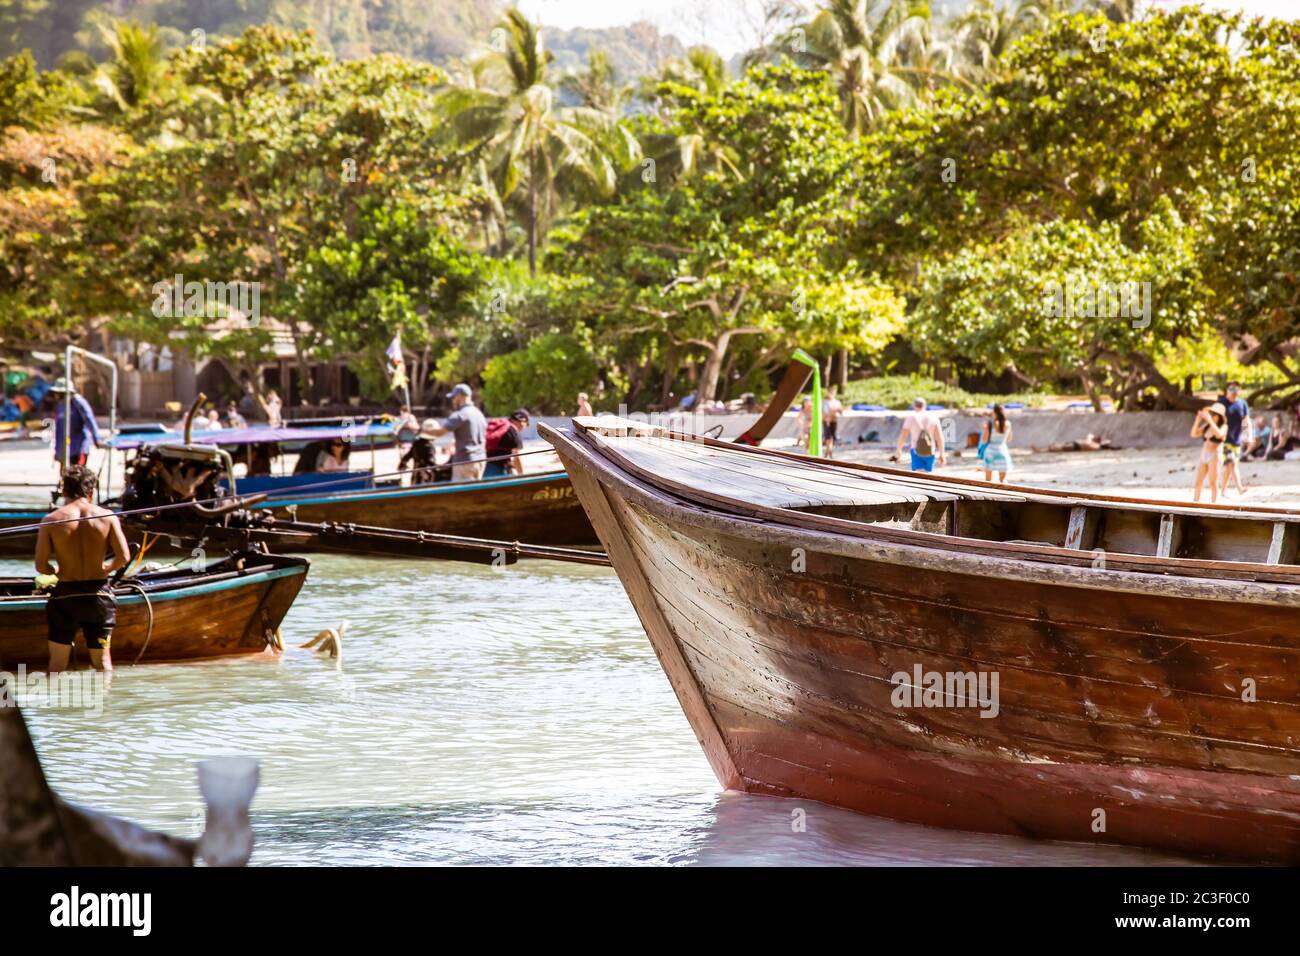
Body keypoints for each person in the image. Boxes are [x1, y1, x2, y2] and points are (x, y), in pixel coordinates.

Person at [35, 465, 129, 675]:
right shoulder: (107, 516)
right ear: (91, 490)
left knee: (57, 666)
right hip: (98, 595)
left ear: (65, 491)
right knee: (103, 664)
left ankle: (55, 706)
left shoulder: (50, 521)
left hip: (66, 596)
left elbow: (41, 566)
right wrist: (106, 568)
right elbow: (124, 556)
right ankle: (105, 705)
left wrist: (56, 570)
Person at [423, 384, 486, 482]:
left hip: (465, 462)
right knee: (475, 494)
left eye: (454, 397)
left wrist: (420, 430)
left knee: (461, 495)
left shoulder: (461, 415)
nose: (453, 400)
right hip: (481, 460)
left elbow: (439, 432)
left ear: (461, 396)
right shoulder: (479, 414)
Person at [49, 379, 102, 472]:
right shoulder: (60, 406)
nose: (57, 396)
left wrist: (96, 439)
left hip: (78, 446)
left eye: (60, 393)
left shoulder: (78, 402)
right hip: (65, 448)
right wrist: (57, 451)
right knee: (65, 476)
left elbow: (89, 419)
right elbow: (59, 430)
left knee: (77, 475)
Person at [895, 397, 945, 472]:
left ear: (914, 406)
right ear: (925, 406)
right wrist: (942, 453)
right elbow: (939, 437)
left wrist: (899, 450)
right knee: (928, 474)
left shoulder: (911, 418)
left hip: (916, 450)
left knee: (918, 475)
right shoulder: (933, 417)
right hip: (931, 450)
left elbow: (903, 436)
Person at [1217, 381, 1249, 496]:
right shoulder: (1221, 403)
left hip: (1237, 440)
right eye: (1231, 388)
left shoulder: (1242, 404)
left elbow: (1246, 420)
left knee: (1228, 466)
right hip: (1224, 440)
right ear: (1227, 390)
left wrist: (1247, 435)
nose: (1234, 391)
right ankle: (1240, 488)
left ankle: (1223, 491)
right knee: (1232, 463)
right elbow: (1215, 419)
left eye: (1236, 389)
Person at [1191, 402, 1228, 502]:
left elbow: (1219, 435)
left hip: (1215, 456)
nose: (1211, 416)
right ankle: (1195, 503)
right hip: (1204, 455)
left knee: (1213, 483)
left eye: (1213, 414)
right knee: (1198, 482)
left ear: (1219, 416)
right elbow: (1194, 434)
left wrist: (1209, 420)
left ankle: (1214, 504)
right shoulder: (1207, 426)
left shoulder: (1224, 427)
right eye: (1210, 413)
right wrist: (1197, 421)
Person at [484, 409, 530, 478]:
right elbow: (516, 457)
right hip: (499, 470)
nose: (524, 427)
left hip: (485, 467)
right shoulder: (513, 432)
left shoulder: (502, 427)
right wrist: (521, 476)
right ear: (522, 421)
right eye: (526, 423)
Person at [399, 419, 442, 484]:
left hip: (415, 476)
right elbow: (430, 461)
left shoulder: (416, 444)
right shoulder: (429, 447)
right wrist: (439, 469)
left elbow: (407, 456)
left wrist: (402, 463)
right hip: (425, 478)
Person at [981, 404, 1014, 483]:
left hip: (990, 451)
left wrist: (984, 430)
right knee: (1003, 481)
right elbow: (1009, 439)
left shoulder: (990, 424)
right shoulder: (1008, 424)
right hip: (1002, 450)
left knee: (988, 481)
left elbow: (984, 440)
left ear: (994, 413)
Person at [822, 388, 843, 458]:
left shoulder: (837, 402)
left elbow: (840, 412)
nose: (832, 394)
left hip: (834, 422)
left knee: (830, 440)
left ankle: (826, 456)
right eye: (830, 392)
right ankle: (830, 457)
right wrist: (833, 411)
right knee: (829, 439)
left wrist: (837, 410)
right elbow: (825, 413)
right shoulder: (825, 402)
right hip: (827, 422)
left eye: (833, 392)